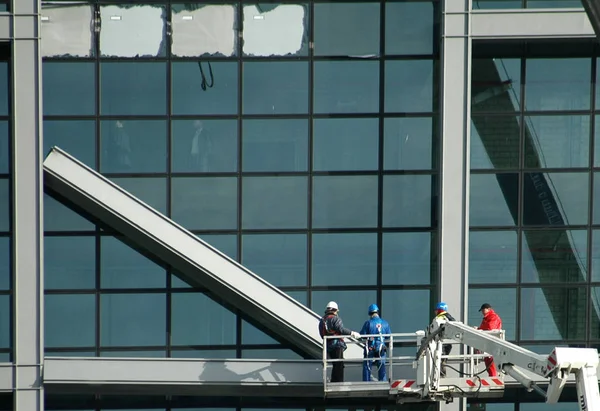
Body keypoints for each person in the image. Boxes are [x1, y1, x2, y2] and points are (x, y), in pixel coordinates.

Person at [318, 301, 361, 383]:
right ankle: (338, 382)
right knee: (339, 364)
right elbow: (340, 329)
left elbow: (322, 334)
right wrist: (352, 333)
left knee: (335, 364)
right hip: (337, 345)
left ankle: (334, 381)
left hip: (328, 346)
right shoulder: (335, 318)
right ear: (335, 310)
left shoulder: (322, 320)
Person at [359, 304, 391, 382]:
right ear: (377, 312)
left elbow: (362, 335)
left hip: (370, 347)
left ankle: (366, 382)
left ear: (370, 313)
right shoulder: (385, 323)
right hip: (381, 347)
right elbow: (388, 336)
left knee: (367, 365)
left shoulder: (368, 323)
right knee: (381, 365)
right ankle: (383, 382)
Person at [475, 303, 503, 376]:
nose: (482, 312)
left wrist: (479, 329)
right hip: (488, 343)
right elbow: (485, 328)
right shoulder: (487, 317)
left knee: (490, 361)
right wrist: (478, 329)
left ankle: (493, 377)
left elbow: (490, 328)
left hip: (492, 342)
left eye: (483, 310)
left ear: (488, 309)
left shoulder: (493, 317)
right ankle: (492, 376)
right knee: (488, 361)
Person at [433, 302, 456, 377]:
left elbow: (436, 329)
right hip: (447, 343)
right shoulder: (449, 317)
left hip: (443, 343)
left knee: (440, 361)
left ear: (440, 310)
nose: (435, 312)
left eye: (436, 310)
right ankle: (441, 376)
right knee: (442, 360)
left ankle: (441, 376)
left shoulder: (441, 317)